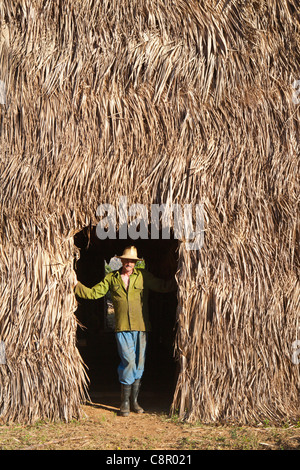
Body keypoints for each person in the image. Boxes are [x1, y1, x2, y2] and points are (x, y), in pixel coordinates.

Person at [73, 245, 176, 417]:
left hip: (141, 327)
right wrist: (76, 285)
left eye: (132, 261)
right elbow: (93, 293)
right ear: (121, 260)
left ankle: (135, 401)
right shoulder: (112, 278)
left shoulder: (143, 276)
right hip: (122, 328)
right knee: (128, 362)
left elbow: (163, 286)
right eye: (126, 260)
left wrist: (182, 278)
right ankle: (125, 402)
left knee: (139, 364)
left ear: (136, 263)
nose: (129, 263)